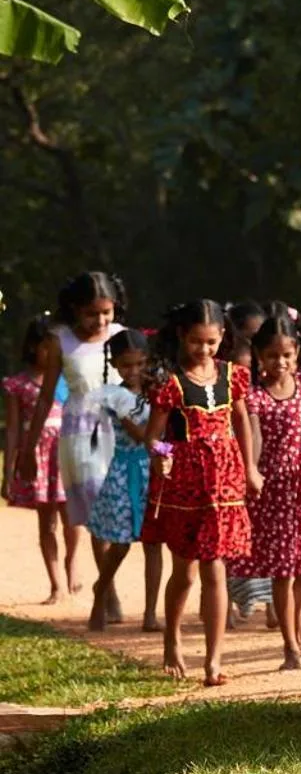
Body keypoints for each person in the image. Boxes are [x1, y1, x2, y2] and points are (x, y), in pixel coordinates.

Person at [143, 299, 262, 686]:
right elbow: (153, 438)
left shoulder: (234, 377)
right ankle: (172, 638)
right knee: (185, 571)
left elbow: (242, 421)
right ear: (182, 336)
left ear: (222, 338)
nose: (204, 350)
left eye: (211, 342)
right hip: (185, 486)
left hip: (225, 484)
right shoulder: (171, 384)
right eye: (197, 342)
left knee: (215, 569)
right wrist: (162, 456)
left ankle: (214, 660)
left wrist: (250, 468)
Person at [235, 311, 301, 670]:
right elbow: (254, 436)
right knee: (283, 572)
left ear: (297, 354)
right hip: (273, 490)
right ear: (260, 356)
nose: (281, 362)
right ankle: (290, 647)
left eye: (287, 355)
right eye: (273, 355)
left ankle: (298, 609)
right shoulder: (254, 396)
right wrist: (251, 473)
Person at [23, 272, 128, 599]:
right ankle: (108, 592)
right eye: (91, 313)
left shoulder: (123, 336)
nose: (99, 320)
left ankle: (105, 580)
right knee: (98, 510)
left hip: (121, 431)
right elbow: (45, 397)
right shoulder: (61, 341)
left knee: (119, 513)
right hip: (81, 434)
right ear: (74, 308)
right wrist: (28, 450)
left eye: (106, 312)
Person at [88, 328, 160, 632]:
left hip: (154, 473)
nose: (134, 371)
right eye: (127, 365)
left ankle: (150, 614)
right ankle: (100, 591)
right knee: (119, 546)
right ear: (115, 365)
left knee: (154, 544)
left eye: (140, 363)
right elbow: (142, 437)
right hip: (125, 473)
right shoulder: (115, 397)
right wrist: (166, 444)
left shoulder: (159, 392)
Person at [4, 317, 70, 603]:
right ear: (33, 347)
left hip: (66, 453)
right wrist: (9, 470)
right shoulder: (16, 385)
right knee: (47, 523)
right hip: (38, 457)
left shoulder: (67, 383)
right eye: (48, 348)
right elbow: (14, 431)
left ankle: (73, 566)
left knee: (73, 519)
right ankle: (56, 584)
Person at [222, 300, 276, 627]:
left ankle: (271, 607)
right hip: (227, 475)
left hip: (258, 474)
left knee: (265, 541)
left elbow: (256, 433)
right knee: (228, 544)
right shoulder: (223, 388)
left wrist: (253, 469)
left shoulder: (262, 393)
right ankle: (224, 605)